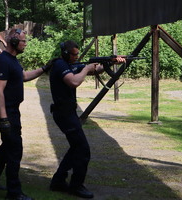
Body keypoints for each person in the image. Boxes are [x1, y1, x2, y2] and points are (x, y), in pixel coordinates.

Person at [0, 28, 51, 200]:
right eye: (23, 41)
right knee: (14, 149)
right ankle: (14, 192)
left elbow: (23, 76)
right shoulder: (4, 61)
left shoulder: (12, 60)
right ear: (13, 42)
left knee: (7, 147)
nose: (25, 44)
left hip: (12, 110)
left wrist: (44, 68)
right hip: (6, 111)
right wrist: (4, 118)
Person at [49, 40, 125, 199]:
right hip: (64, 114)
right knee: (83, 150)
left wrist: (110, 62)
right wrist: (86, 69)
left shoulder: (69, 64)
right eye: (74, 54)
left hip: (68, 113)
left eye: (78, 54)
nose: (77, 57)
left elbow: (95, 70)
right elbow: (74, 81)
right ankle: (76, 186)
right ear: (65, 54)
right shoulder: (60, 65)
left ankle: (58, 181)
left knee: (76, 147)